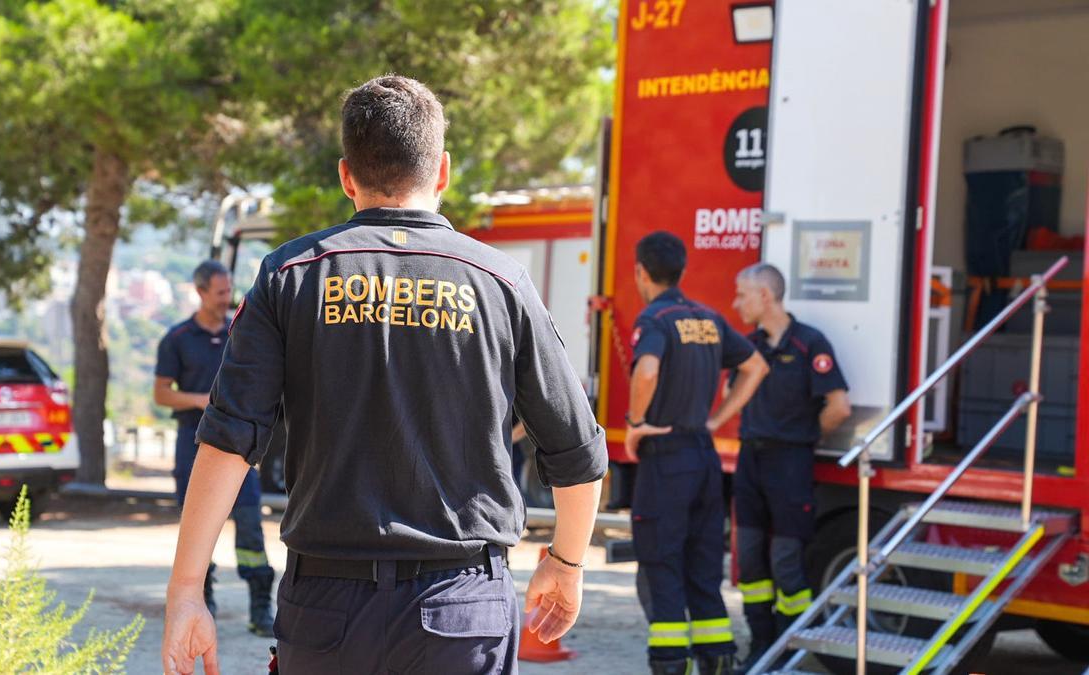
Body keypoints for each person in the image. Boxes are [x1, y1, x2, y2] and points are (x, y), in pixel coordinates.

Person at [161, 75, 607, 675]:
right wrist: (566, 562)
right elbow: (577, 449)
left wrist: (187, 590)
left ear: (347, 176)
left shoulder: (290, 276)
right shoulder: (501, 283)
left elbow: (229, 439)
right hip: (462, 607)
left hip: (326, 609)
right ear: (443, 171)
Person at [624, 232, 769, 675]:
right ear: (682, 271)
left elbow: (647, 370)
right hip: (705, 460)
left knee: (662, 568)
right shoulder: (709, 318)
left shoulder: (655, 319)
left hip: (666, 460)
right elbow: (756, 366)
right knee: (704, 573)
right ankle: (718, 665)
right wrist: (718, 418)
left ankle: (671, 666)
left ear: (641, 272)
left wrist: (634, 424)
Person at [729, 263, 851, 672]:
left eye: (742, 293)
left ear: (765, 296)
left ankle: (789, 650)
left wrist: (802, 436)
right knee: (749, 558)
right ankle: (760, 646)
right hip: (751, 460)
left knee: (785, 561)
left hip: (791, 461)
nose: (736, 302)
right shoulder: (748, 347)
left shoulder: (810, 343)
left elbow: (839, 407)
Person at [154, 260, 275, 637]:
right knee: (197, 527)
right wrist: (203, 401)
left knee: (252, 528)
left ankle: (260, 608)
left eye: (228, 291)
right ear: (201, 291)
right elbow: (161, 394)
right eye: (220, 292)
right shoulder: (177, 339)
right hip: (192, 447)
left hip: (239, 449)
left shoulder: (239, 331)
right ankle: (198, 603)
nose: (227, 299)